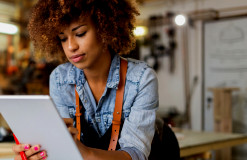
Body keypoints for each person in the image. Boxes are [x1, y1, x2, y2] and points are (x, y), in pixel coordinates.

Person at [12, 0, 158, 159]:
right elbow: (64, 153)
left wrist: (85, 152)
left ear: (105, 29)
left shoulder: (141, 79)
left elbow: (136, 155)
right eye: (62, 38)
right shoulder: (60, 78)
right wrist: (42, 152)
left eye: (80, 33)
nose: (71, 47)